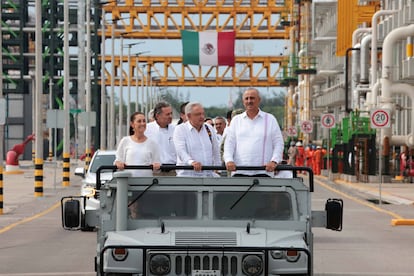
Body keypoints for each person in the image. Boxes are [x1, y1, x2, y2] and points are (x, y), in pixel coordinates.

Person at [223, 88, 284, 177]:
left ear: (259, 100)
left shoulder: (270, 119)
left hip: (263, 172)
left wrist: (274, 161)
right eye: (246, 99)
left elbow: (278, 143)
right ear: (243, 101)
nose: (249, 101)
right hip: (239, 172)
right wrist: (229, 160)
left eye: (252, 98)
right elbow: (229, 144)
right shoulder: (236, 120)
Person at [173, 102, 221, 177]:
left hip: (208, 176)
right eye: (198, 114)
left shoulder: (209, 128)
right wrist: (191, 162)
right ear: (188, 116)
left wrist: (218, 169)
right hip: (187, 177)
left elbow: (216, 150)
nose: (202, 117)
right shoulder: (180, 129)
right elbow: (181, 151)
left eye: (203, 114)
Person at [114, 112, 161, 177]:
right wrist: (118, 164)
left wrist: (157, 167)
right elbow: (118, 160)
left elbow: (157, 167)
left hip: (147, 184)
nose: (142, 123)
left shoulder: (152, 143)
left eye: (144, 121)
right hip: (128, 183)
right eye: (139, 121)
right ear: (132, 124)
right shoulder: (125, 141)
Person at [145, 101, 177, 175]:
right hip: (154, 172)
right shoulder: (147, 130)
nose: (170, 116)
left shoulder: (176, 130)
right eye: (167, 114)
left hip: (173, 171)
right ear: (158, 115)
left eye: (171, 113)